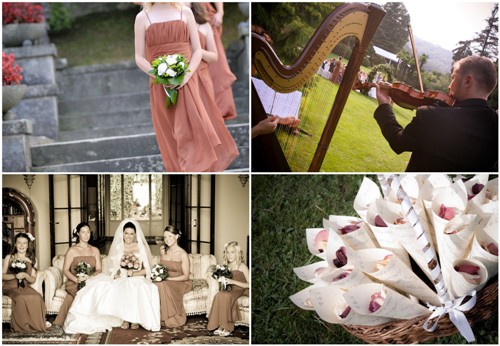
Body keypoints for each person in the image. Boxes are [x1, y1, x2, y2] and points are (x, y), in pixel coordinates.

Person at [135, 2, 225, 172]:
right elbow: (139, 57)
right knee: (171, 135)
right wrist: (160, 76)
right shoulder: (142, 17)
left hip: (187, 82)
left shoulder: (185, 12)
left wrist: (186, 76)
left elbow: (197, 50)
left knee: (189, 133)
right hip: (160, 85)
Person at [373, 55, 498, 172]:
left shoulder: (432, 116)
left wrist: (384, 105)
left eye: (453, 78)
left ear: (467, 81)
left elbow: (398, 142)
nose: (449, 86)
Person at [64, 219, 160, 333]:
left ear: (135, 234)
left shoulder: (141, 247)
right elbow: (114, 268)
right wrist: (115, 275)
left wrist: (133, 273)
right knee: (117, 286)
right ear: (122, 234)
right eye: (126, 233)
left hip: (137, 277)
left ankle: (135, 319)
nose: (128, 236)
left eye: (131, 234)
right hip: (122, 277)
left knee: (136, 286)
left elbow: (148, 270)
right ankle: (125, 318)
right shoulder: (119, 247)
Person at [189, 2, 239, 171]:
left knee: (215, 71)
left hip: (202, 12)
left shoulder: (202, 22)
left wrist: (221, 12)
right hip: (178, 16)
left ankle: (215, 113)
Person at [51, 222, 102, 330]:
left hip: (91, 280)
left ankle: (88, 321)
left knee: (97, 290)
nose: (86, 235)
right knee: (82, 292)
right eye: (83, 232)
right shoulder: (72, 250)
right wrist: (77, 280)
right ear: (78, 234)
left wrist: (90, 277)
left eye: (88, 232)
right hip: (74, 281)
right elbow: (65, 270)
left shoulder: (95, 250)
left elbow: (98, 269)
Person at [2, 233, 47, 332]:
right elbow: (2, 275)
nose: (22, 246)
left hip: (24, 287)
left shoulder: (33, 259)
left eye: (24, 243)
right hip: (10, 286)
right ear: (15, 244)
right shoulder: (9, 257)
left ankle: (35, 325)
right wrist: (15, 276)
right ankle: (22, 327)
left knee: (37, 297)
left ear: (28, 245)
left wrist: (26, 276)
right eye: (19, 243)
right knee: (20, 298)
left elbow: (33, 280)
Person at [203, 2, 239, 121]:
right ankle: (202, 112)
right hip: (181, 17)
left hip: (204, 14)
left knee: (216, 67)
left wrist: (220, 12)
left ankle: (219, 110)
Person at [207, 241, 249, 337]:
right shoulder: (226, 267)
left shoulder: (242, 266)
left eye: (232, 252)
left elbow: (249, 284)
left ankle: (227, 327)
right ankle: (220, 325)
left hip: (241, 289)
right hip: (231, 289)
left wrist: (232, 282)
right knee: (219, 294)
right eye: (227, 252)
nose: (229, 255)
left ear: (237, 253)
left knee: (226, 296)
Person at [154, 225, 191, 328]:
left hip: (180, 282)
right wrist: (157, 274)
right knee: (156, 284)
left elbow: (186, 276)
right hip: (165, 280)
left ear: (177, 236)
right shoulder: (163, 250)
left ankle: (168, 318)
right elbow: (160, 268)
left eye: (170, 236)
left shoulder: (182, 254)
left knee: (162, 285)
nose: (167, 239)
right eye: (165, 237)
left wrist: (168, 279)